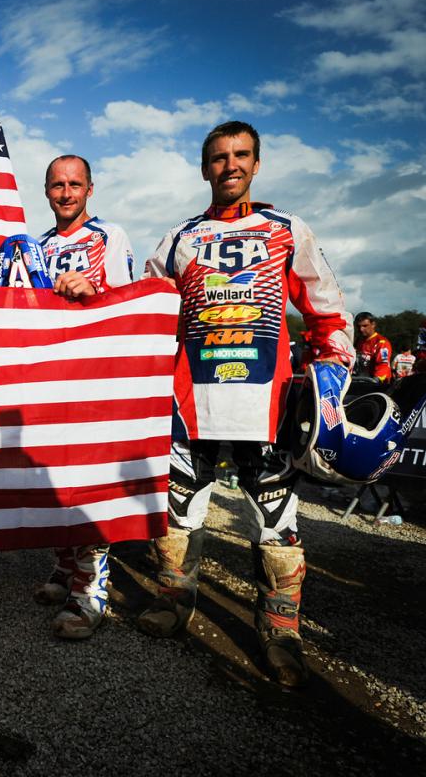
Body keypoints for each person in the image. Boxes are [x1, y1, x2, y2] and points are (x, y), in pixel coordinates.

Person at [140, 121, 353, 687]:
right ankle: (173, 598)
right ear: (204, 166)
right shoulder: (180, 237)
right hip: (191, 406)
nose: (230, 165)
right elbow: (144, 308)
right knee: (177, 515)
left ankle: (281, 629)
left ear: (256, 164)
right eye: (218, 157)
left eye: (241, 156)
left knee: (278, 526)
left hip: (269, 407)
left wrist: (330, 375)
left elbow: (330, 311)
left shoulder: (288, 229)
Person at [30, 155, 135, 639]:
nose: (66, 193)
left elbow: (131, 307)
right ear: (46, 191)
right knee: (52, 481)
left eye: (75, 184)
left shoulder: (109, 236)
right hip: (50, 382)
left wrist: (96, 290)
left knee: (89, 485)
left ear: (90, 189)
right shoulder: (37, 247)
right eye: (57, 185)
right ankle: (66, 571)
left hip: (95, 381)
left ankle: (91, 591)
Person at [354, 311, 393, 383]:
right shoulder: (358, 341)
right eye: (358, 326)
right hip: (361, 380)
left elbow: (383, 365)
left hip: (377, 383)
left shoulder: (381, 342)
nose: (361, 329)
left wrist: (376, 379)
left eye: (365, 326)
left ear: (373, 324)